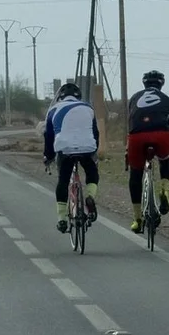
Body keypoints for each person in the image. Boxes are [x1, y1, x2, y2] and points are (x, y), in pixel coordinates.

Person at [43, 82, 100, 233]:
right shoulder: (88, 108)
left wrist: (48, 157)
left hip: (65, 148)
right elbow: (96, 133)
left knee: (63, 180)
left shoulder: (53, 110)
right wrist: (95, 152)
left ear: (60, 97)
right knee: (92, 174)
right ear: (78, 96)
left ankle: (62, 219)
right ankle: (89, 197)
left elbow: (48, 136)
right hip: (87, 147)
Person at [125, 70, 169, 234]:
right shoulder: (167, 99)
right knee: (166, 158)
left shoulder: (134, 97)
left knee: (135, 174)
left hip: (137, 137)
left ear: (144, 84)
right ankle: (164, 189)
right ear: (162, 84)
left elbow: (130, 122)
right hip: (161, 135)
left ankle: (137, 219)